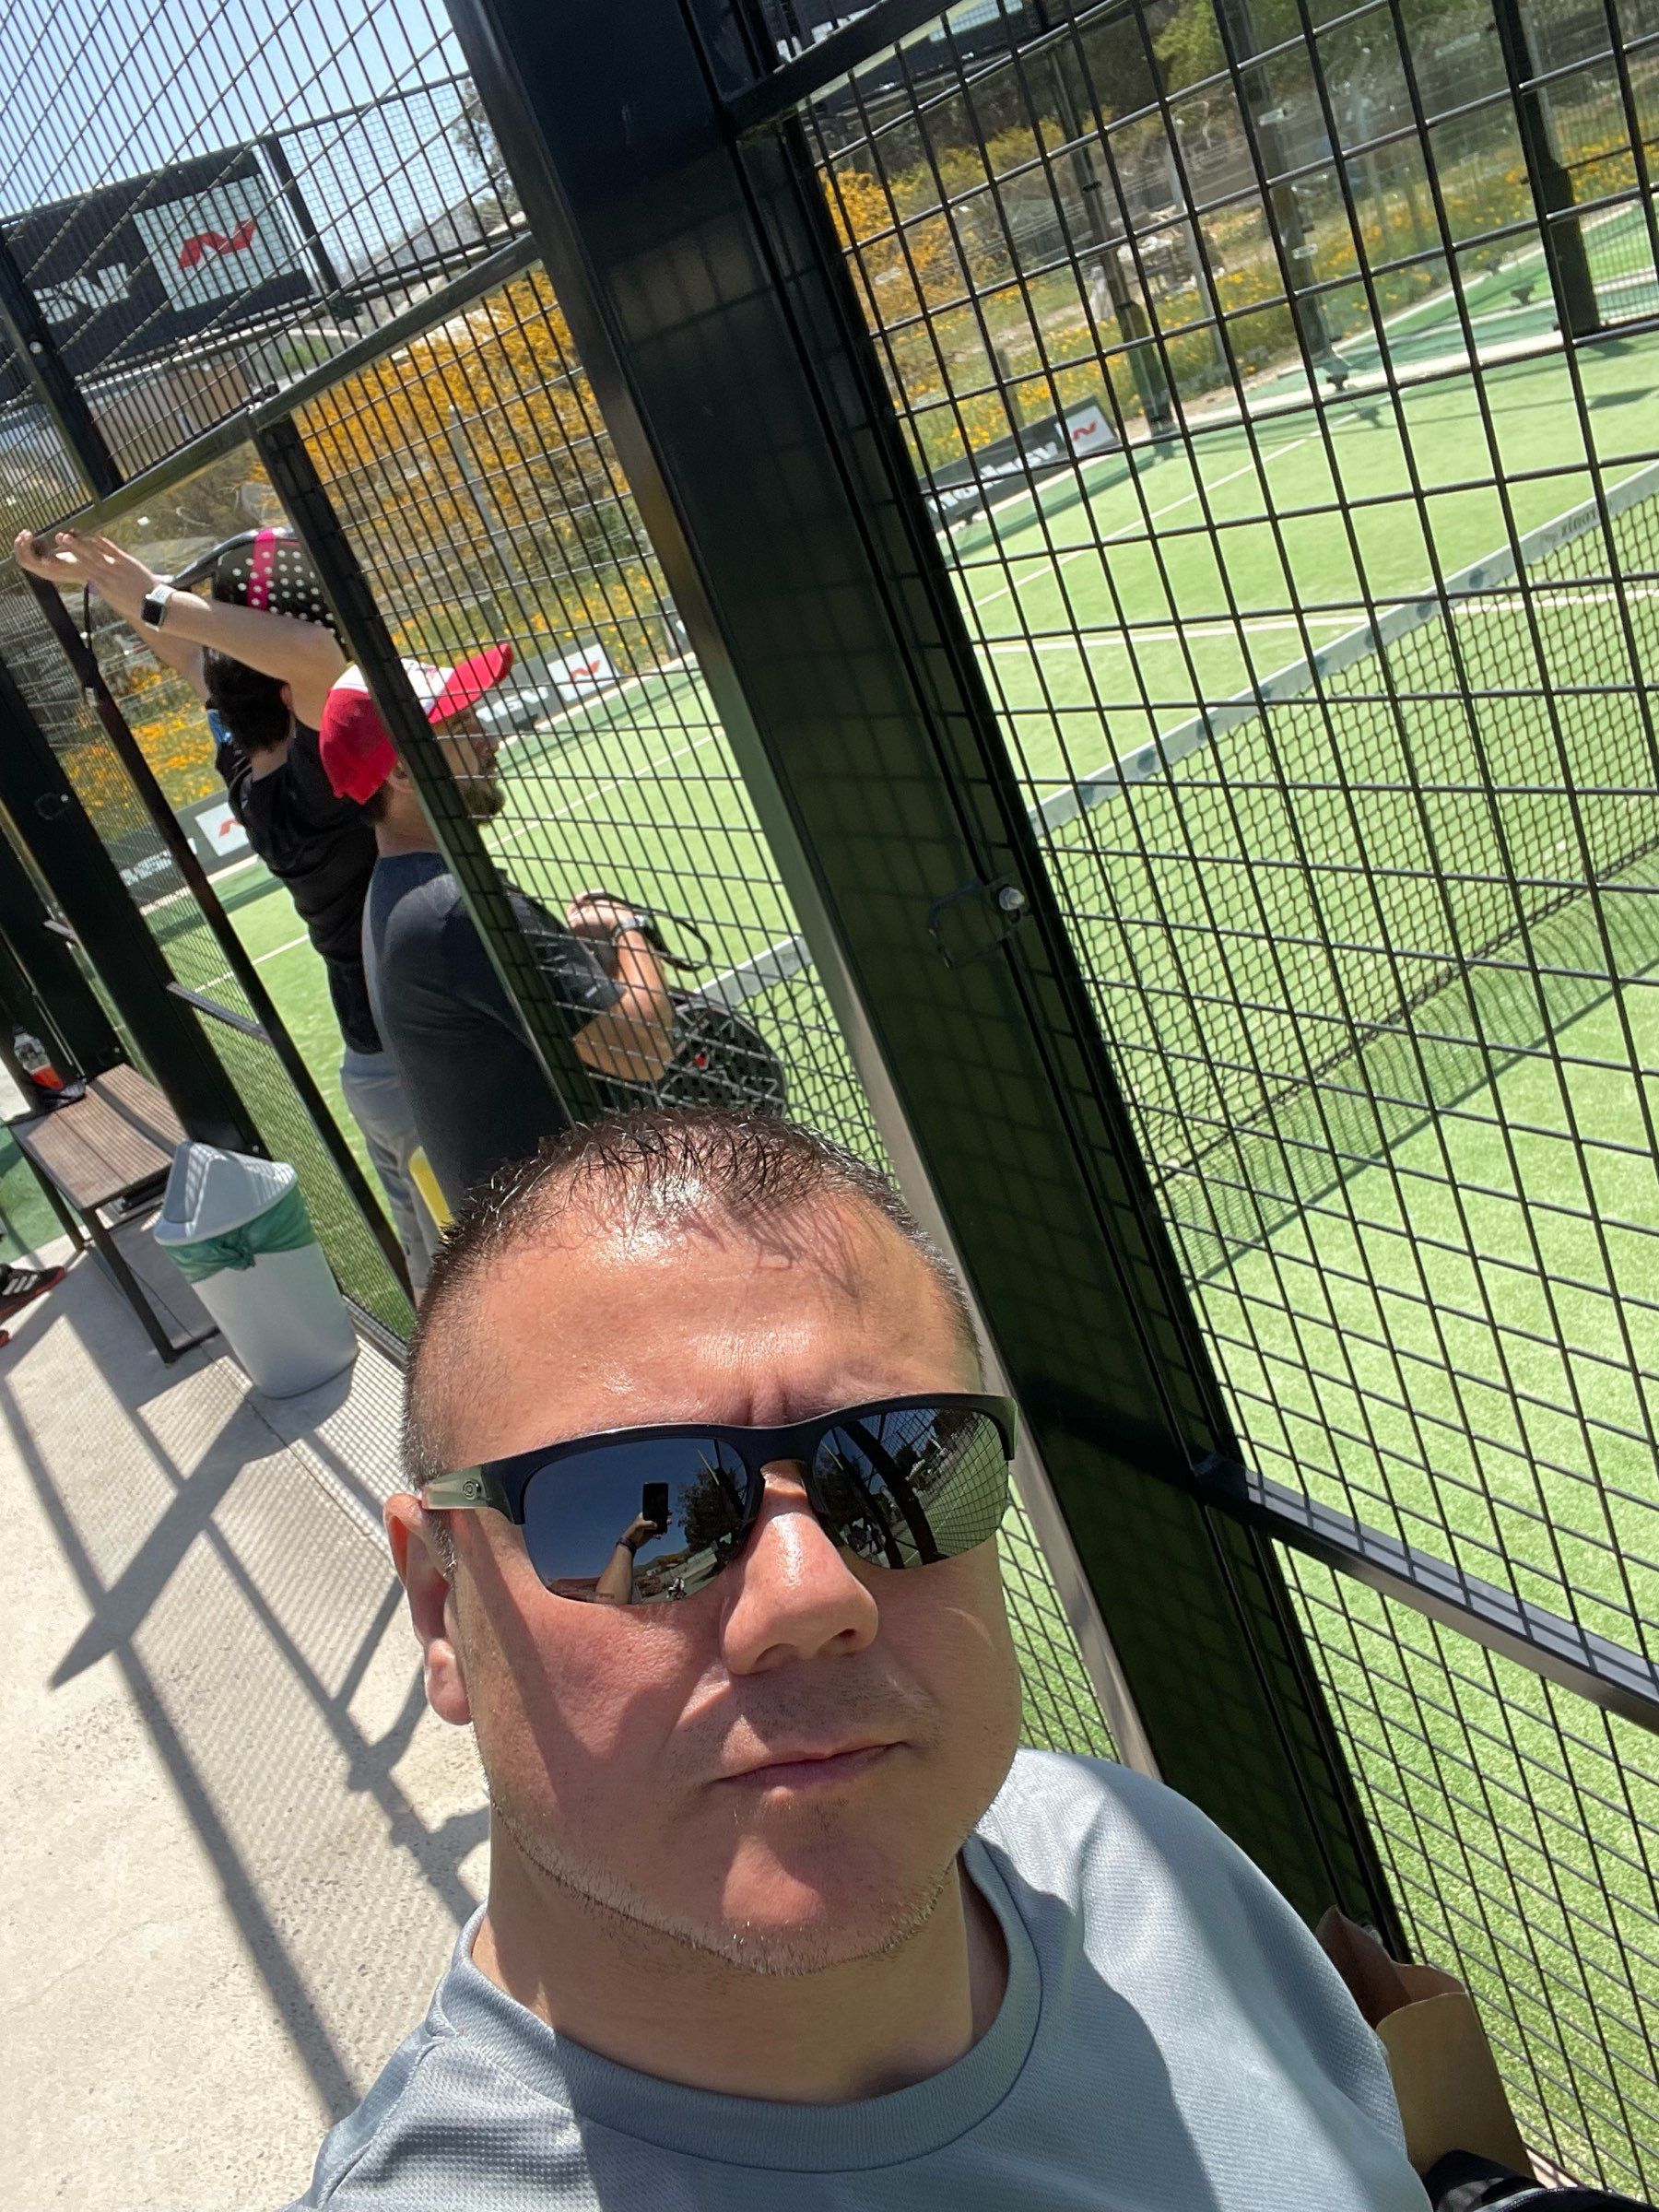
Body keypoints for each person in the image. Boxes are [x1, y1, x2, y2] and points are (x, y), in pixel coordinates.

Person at [282, 1105, 1430, 2210]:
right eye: (639, 1507)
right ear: (441, 1607)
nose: (810, 1592)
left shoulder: (1134, 1852)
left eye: (901, 1467)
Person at [11, 527, 437, 1291]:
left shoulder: (246, 762)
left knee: (432, 1261)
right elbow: (310, 652)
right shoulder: (317, 777)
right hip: (414, 1043)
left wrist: (116, 582)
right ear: (285, 693)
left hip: (371, 1050)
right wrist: (152, 598)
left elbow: (191, 656)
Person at [318, 656, 676, 1216]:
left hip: (526, 1225)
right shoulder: (456, 909)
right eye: (460, 727)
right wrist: (629, 929)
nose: (490, 738)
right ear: (403, 772)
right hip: (566, 1226)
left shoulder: (396, 889)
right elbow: (645, 1049)